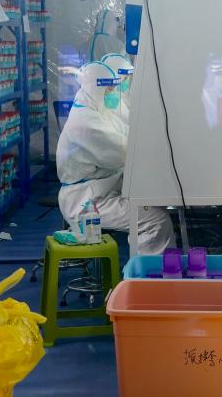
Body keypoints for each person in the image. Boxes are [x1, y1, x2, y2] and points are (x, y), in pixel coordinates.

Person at [57, 61, 174, 253]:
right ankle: (145, 271)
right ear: (95, 89)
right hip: (87, 202)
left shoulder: (97, 111)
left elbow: (130, 135)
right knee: (155, 220)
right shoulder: (86, 124)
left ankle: (151, 265)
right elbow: (127, 152)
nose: (113, 93)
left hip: (102, 189)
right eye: (109, 89)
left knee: (154, 203)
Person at [101, 51, 134, 124]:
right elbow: (130, 122)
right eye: (125, 78)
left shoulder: (120, 95)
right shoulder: (111, 101)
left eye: (127, 77)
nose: (127, 81)